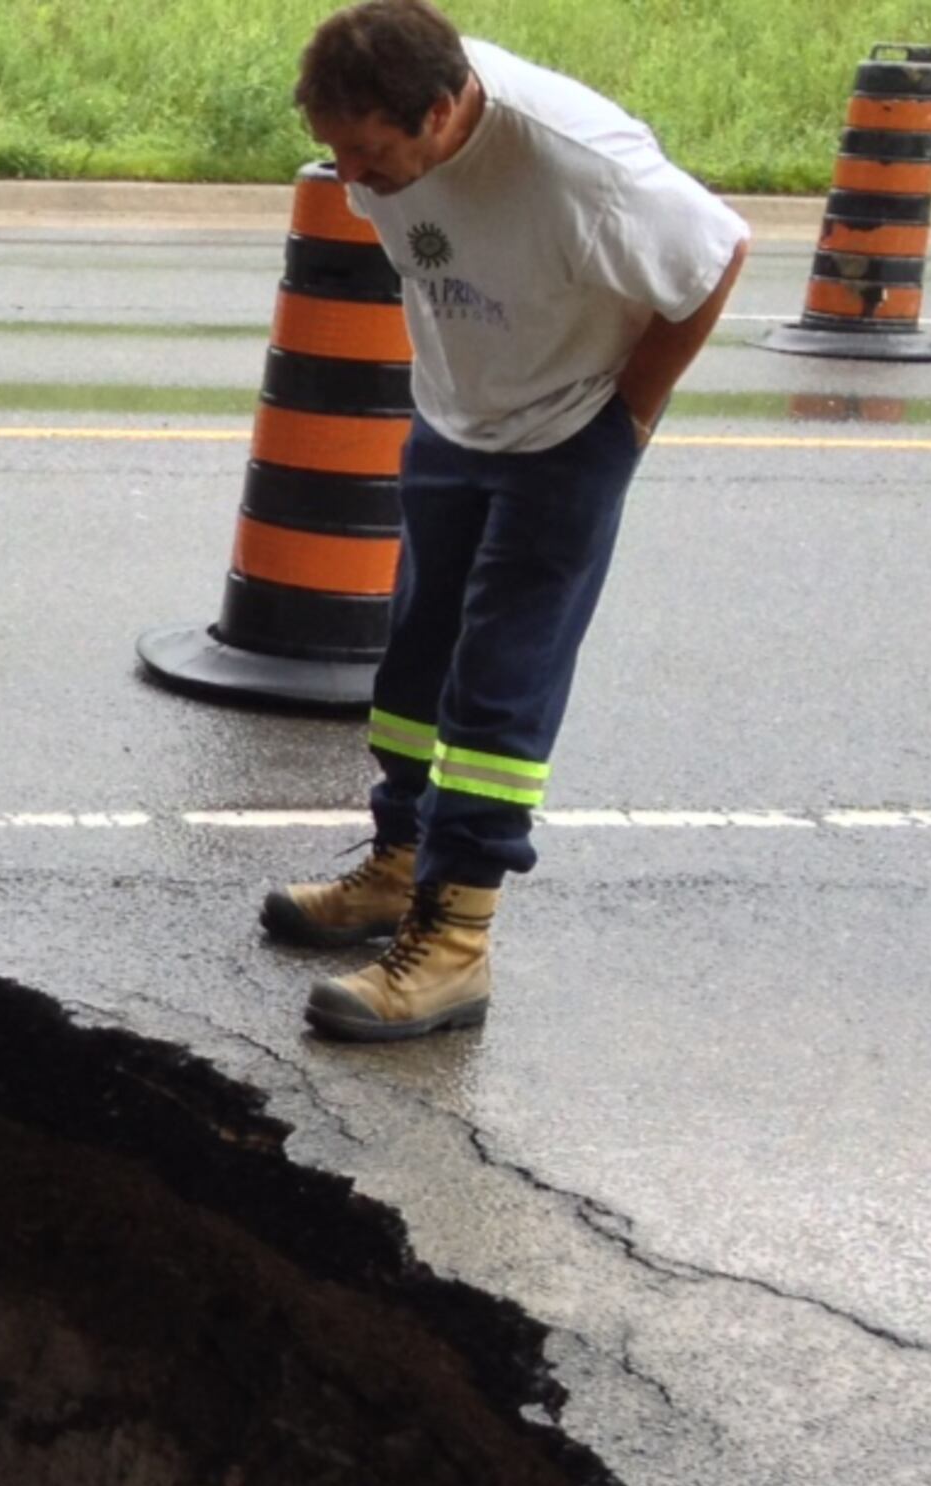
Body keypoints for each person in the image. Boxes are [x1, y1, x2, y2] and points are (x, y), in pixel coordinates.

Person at [261, 0, 749, 1039]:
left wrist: (627, 417)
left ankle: (454, 948)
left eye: (371, 157)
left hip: (567, 432)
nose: (350, 178)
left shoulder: (581, 170)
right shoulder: (387, 109)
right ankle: (398, 866)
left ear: (445, 113)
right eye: (334, 154)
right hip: (453, 415)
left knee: (497, 692)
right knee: (413, 668)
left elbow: (715, 258)